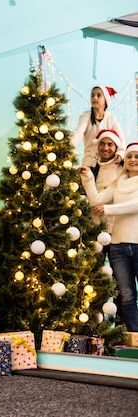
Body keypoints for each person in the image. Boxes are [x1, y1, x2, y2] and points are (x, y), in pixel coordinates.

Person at [79, 141, 138, 332]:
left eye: (137, 156)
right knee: (126, 295)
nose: (133, 159)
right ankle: (134, 335)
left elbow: (134, 205)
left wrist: (109, 209)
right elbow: (96, 200)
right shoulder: (117, 183)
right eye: (129, 156)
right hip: (118, 247)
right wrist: (87, 178)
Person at [72, 85, 125, 168]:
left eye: (98, 95)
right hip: (89, 162)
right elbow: (79, 132)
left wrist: (120, 153)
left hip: (108, 163)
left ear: (106, 100)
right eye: (92, 95)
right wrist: (70, 146)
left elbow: (121, 139)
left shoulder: (111, 118)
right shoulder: (86, 116)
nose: (95, 98)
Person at [89, 129, 124, 235]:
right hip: (95, 227)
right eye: (102, 144)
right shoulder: (92, 169)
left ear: (116, 148)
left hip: (118, 228)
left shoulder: (124, 168)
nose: (105, 148)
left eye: (110, 145)